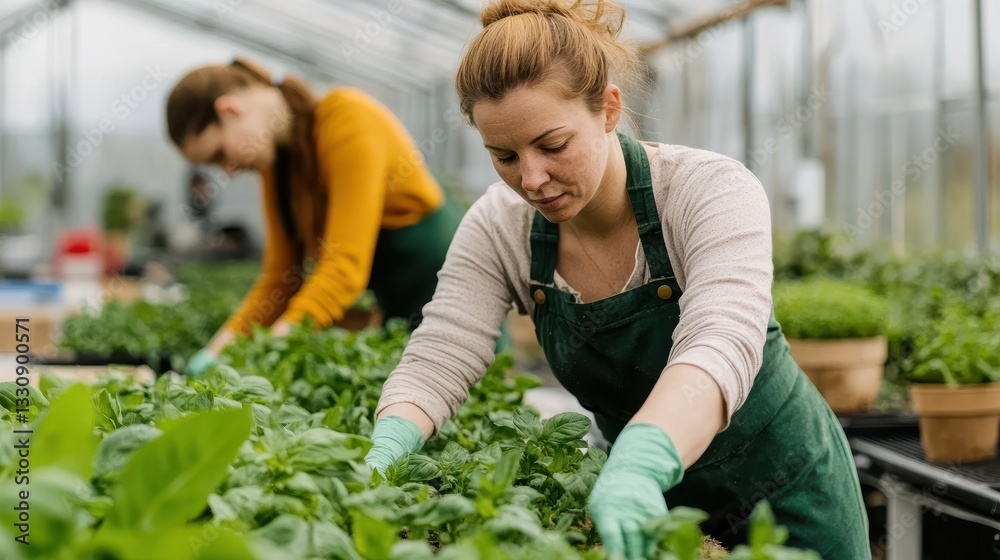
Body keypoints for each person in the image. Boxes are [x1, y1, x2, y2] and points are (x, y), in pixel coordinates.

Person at [363, 2, 870, 559]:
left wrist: (642, 459)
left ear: (608, 108)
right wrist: (387, 445)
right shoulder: (499, 226)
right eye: (503, 155)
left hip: (786, 490)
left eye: (553, 146)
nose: (531, 179)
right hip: (650, 509)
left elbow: (721, 340)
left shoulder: (708, 191)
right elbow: (442, 350)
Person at [166, 58, 464, 375]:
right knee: (414, 388)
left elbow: (343, 268)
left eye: (219, 154)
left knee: (466, 384)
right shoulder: (277, 165)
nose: (227, 170)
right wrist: (218, 349)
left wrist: (271, 348)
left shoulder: (347, 119)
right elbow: (280, 279)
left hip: (444, 281)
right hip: (393, 295)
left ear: (229, 110)